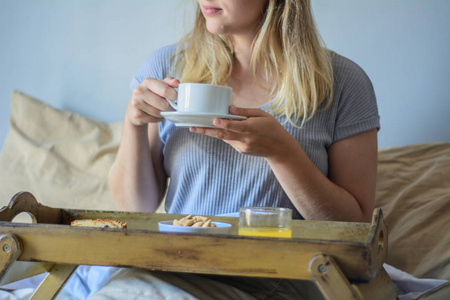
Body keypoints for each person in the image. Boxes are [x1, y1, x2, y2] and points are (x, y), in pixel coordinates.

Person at [101, 0, 380, 298]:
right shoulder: (169, 67)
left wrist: (283, 153)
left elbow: (354, 229)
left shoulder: (342, 82)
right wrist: (134, 122)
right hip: (172, 263)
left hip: (278, 274)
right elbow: (135, 206)